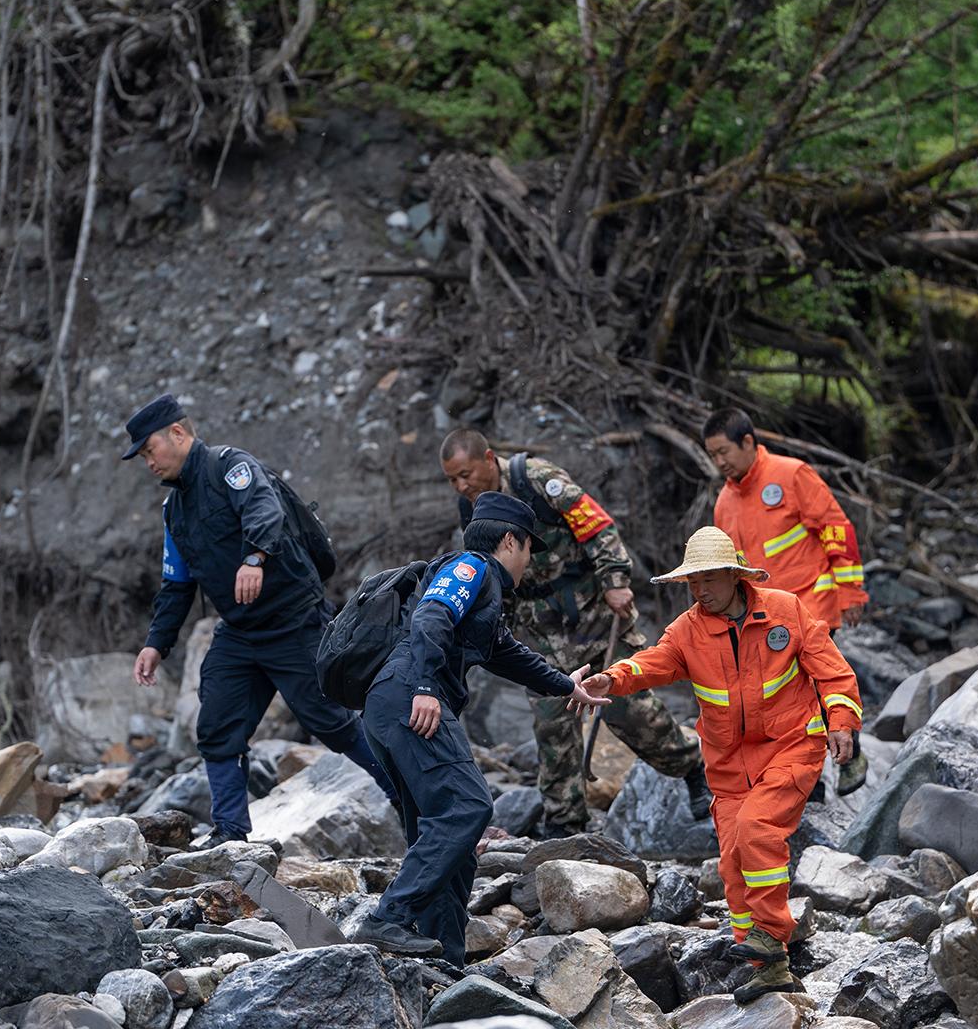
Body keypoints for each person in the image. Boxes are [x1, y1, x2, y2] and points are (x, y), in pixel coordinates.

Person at [581, 526, 862, 1003]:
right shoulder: (688, 630)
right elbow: (652, 662)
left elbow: (833, 672)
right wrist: (612, 678)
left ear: (735, 575)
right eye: (693, 581)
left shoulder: (786, 610)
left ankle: (771, 934)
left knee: (757, 829)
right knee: (732, 861)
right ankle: (768, 968)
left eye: (709, 579)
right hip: (729, 765)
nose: (700, 590)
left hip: (792, 746)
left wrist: (841, 722)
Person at [124, 393, 395, 848]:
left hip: (294, 620)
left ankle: (410, 798)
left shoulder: (231, 467)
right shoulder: (174, 511)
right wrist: (156, 643)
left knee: (333, 722)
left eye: (150, 450)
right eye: (142, 457)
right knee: (217, 726)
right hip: (240, 632)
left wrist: (254, 558)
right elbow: (176, 585)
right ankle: (230, 834)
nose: (148, 462)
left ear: (178, 433)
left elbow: (264, 510)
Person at [352, 492, 609, 963]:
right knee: (468, 807)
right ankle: (387, 918)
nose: (529, 561)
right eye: (529, 548)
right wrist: (425, 686)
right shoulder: (470, 568)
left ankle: (442, 958)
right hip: (410, 698)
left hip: (390, 704)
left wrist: (564, 685)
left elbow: (507, 653)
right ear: (510, 540)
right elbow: (431, 617)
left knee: (448, 836)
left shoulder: (483, 591)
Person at [439, 429, 710, 830]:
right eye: (452, 480)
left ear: (489, 458)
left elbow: (597, 528)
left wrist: (615, 582)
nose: (462, 486)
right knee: (552, 724)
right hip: (540, 634)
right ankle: (565, 823)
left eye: (466, 474)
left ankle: (693, 767)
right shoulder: (472, 510)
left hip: (593, 620)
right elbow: (490, 572)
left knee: (631, 713)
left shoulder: (539, 480)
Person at [703, 407, 867, 631]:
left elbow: (835, 530)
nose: (720, 462)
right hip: (765, 619)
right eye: (713, 455)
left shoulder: (792, 474)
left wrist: (850, 592)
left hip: (811, 608)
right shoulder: (724, 504)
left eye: (724, 451)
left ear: (747, 442)